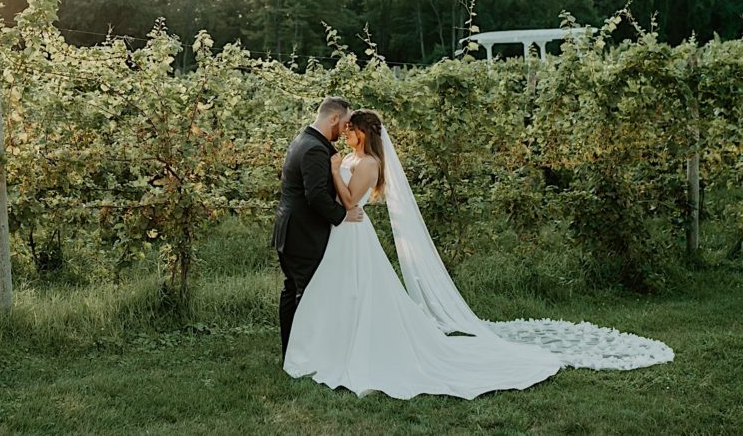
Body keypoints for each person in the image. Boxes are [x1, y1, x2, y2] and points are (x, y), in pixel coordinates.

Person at [282, 108, 674, 399]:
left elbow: (351, 200)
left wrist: (335, 172)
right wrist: (336, 170)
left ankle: (361, 347)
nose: (345, 137)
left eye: (350, 132)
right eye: (344, 131)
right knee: (340, 292)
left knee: (361, 292)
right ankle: (332, 343)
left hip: (354, 230)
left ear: (363, 134)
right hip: (342, 234)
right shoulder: (348, 157)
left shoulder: (367, 163)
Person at [271, 96, 364, 361]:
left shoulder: (304, 140)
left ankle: (292, 352)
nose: (346, 129)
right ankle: (303, 357)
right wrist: (344, 215)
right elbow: (316, 196)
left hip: (290, 231)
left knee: (293, 291)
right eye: (345, 122)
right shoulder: (314, 149)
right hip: (302, 234)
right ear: (333, 118)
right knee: (308, 294)